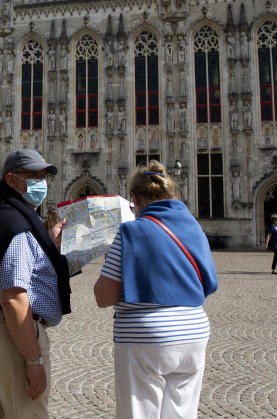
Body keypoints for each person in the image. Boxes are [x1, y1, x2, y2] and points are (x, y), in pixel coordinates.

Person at [93, 161, 218, 419]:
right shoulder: (195, 228)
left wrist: (111, 260)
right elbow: (208, 283)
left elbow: (103, 297)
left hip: (146, 340)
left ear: (134, 199)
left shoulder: (130, 231)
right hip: (194, 334)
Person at [0, 149, 71, 418]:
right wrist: (33, 359)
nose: (41, 183)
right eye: (34, 176)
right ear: (11, 180)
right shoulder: (17, 227)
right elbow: (12, 296)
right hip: (10, 332)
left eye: (44, 177)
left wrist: (49, 243)